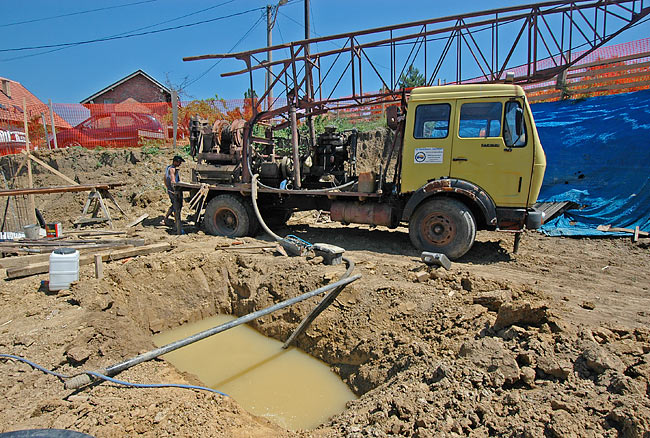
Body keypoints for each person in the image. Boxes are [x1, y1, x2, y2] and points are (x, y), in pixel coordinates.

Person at [163, 155, 184, 232]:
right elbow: (173, 181)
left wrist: (168, 188)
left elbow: (165, 178)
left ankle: (166, 218)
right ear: (175, 161)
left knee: (174, 205)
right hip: (173, 191)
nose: (180, 164)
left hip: (170, 190)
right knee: (177, 206)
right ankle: (176, 223)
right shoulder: (172, 169)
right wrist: (175, 190)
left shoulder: (168, 168)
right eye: (179, 162)